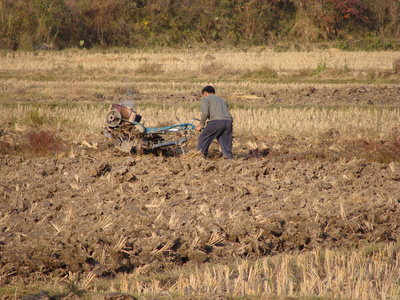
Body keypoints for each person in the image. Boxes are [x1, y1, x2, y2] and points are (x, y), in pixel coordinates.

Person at [195, 86, 233, 159]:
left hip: (216, 122)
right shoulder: (222, 100)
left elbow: (205, 113)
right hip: (228, 123)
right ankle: (229, 160)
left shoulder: (206, 98)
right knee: (225, 143)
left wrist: (201, 125)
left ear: (205, 93)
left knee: (203, 138)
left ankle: (199, 158)